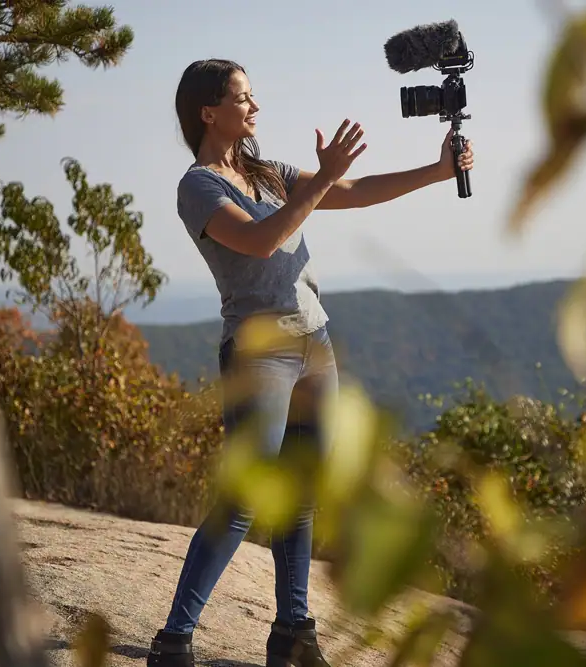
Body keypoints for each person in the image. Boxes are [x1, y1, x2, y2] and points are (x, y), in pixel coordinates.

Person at [147, 58, 474, 667]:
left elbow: (353, 193)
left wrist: (437, 170)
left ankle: (293, 634)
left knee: (300, 493)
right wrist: (321, 180)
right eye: (244, 98)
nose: (256, 107)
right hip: (260, 352)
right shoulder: (198, 185)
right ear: (208, 112)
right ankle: (172, 642)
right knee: (245, 502)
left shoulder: (265, 171)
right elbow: (258, 240)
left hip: (314, 343)